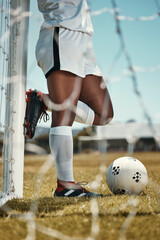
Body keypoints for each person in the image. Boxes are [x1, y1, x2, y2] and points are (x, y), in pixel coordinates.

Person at [25, 0, 114, 197]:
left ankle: (42, 100)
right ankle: (64, 186)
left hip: (84, 40)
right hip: (60, 33)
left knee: (104, 113)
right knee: (65, 110)